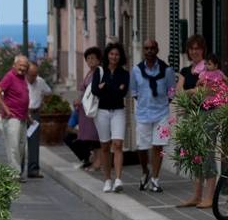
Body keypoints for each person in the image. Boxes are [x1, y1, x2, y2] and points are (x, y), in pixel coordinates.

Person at [175, 35, 218, 208]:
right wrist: (193, 91)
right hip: (190, 116)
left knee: (207, 154)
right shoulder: (186, 71)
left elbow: (205, 93)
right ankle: (197, 195)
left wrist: (191, 91)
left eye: (197, 48)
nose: (194, 51)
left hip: (207, 115)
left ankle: (210, 197)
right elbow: (179, 93)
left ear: (203, 50)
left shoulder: (208, 70)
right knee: (195, 156)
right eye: (191, 48)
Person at [130, 39, 176, 193]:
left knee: (159, 146)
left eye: (152, 48)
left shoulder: (167, 70)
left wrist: (162, 102)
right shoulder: (136, 71)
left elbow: (171, 91)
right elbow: (134, 92)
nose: (149, 51)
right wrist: (146, 102)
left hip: (162, 113)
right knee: (142, 148)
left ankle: (155, 180)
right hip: (143, 114)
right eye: (146, 48)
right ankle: (145, 171)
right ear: (143, 51)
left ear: (157, 49)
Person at [91, 42, 129, 193]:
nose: (114, 57)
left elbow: (122, 93)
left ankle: (118, 179)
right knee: (105, 147)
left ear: (120, 57)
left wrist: (106, 87)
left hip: (118, 111)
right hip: (102, 112)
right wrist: (114, 87)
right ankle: (107, 179)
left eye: (117, 54)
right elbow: (95, 90)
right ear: (107, 55)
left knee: (118, 144)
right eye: (112, 54)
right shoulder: (99, 71)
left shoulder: (124, 74)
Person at [0, 55, 30, 182]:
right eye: (21, 65)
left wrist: (28, 114)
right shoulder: (10, 76)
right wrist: (6, 109)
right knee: (13, 146)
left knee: (21, 146)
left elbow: (23, 97)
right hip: (12, 117)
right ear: (14, 65)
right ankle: (15, 174)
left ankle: (17, 171)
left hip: (23, 117)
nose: (23, 68)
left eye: (25, 66)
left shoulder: (23, 78)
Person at [74, 47, 103, 171]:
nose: (90, 60)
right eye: (88, 58)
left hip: (94, 108)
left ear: (98, 60)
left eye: (93, 58)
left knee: (96, 136)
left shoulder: (99, 72)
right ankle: (94, 159)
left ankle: (98, 161)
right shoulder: (89, 72)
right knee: (91, 137)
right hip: (85, 109)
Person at [25, 61, 52, 178]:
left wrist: (43, 103)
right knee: (20, 143)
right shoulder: (21, 81)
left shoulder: (40, 81)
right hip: (22, 113)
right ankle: (18, 170)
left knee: (34, 144)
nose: (33, 77)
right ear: (26, 73)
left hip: (34, 114)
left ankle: (33, 170)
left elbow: (49, 92)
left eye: (35, 74)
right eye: (31, 74)